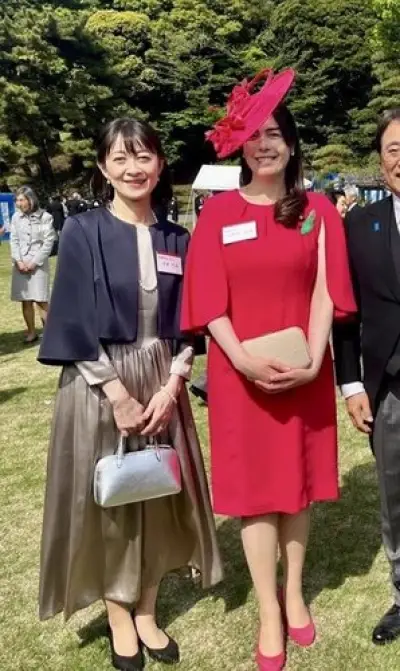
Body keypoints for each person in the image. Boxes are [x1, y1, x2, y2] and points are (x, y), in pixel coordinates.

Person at [182, 68, 356, 671]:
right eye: (254, 134)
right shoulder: (217, 214)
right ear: (240, 146)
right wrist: (243, 361)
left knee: (298, 485)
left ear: (292, 143)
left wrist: (312, 362)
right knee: (257, 495)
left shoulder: (318, 211)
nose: (265, 144)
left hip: (303, 371)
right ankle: (267, 608)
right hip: (241, 378)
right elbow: (209, 300)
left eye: (275, 133)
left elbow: (326, 292)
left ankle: (294, 591)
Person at [38, 118, 222, 671]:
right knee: (112, 497)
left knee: (157, 492)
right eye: (120, 158)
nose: (133, 168)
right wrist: (117, 394)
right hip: (100, 381)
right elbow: (72, 317)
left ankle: (147, 608)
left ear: (160, 164)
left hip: (163, 379)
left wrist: (173, 383)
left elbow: (191, 321)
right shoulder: (83, 230)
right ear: (103, 167)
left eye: (143, 156)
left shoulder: (177, 238)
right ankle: (119, 611)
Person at [333, 108, 400, 647]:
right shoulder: (358, 225)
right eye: (394, 149)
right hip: (389, 388)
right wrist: (351, 384)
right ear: (381, 162)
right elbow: (345, 313)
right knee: (395, 499)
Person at [10, 186, 56, 343]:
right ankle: (31, 332)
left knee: (41, 300)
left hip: (38, 264)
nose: (18, 203)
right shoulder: (16, 217)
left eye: (21, 200)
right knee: (26, 300)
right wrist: (18, 260)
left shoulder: (45, 217)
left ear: (30, 200)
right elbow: (14, 240)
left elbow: (48, 242)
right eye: (17, 200)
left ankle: (50, 333)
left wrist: (34, 262)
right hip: (20, 264)